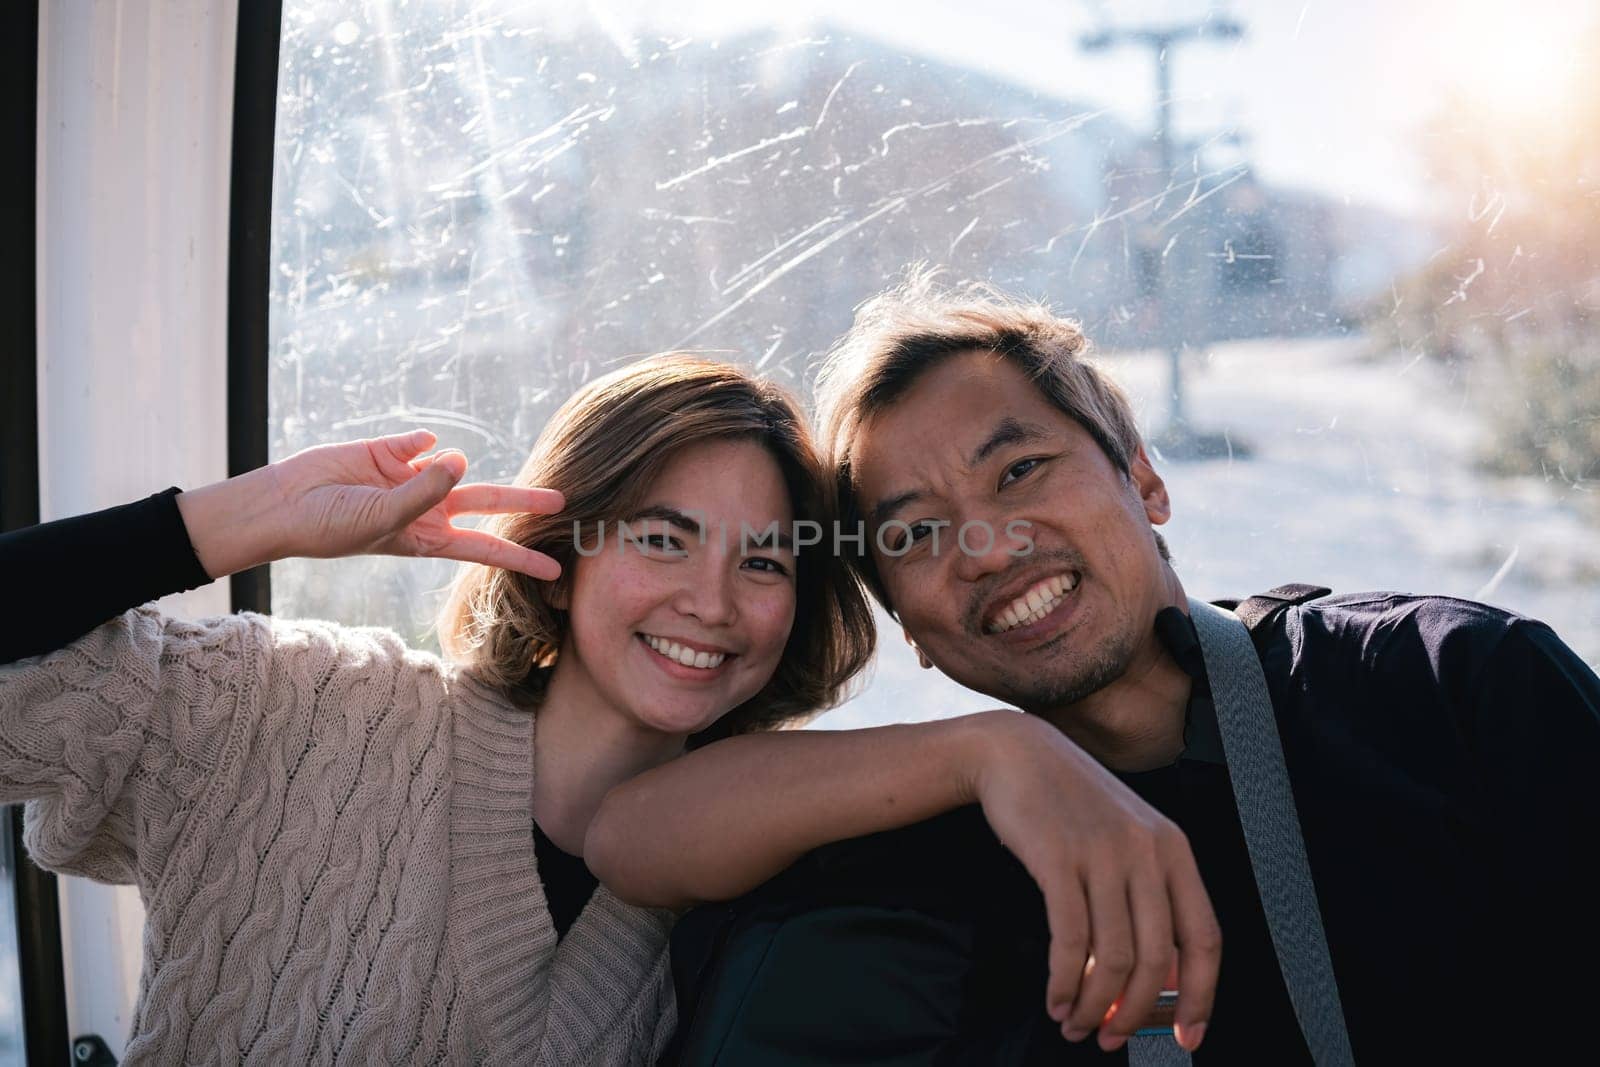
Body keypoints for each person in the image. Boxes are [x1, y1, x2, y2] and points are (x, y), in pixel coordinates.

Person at [1, 353, 1220, 1064]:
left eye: (761, 560)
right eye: (659, 536)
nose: (709, 600)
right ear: (567, 545)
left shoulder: (786, 872)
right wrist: (232, 522)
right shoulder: (291, 708)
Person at [603, 278, 1600, 1063]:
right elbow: (632, 832)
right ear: (907, 622)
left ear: (1145, 476)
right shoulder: (948, 832)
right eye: (914, 531)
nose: (986, 548)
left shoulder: (1444, 685)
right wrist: (990, 754)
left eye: (1019, 469)